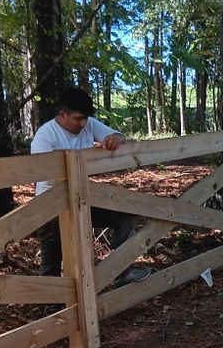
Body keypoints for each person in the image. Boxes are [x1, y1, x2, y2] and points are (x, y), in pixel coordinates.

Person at [31, 87, 151, 285]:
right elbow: (42, 173)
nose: (83, 123)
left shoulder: (87, 124)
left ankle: (122, 272)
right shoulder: (45, 136)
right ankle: (53, 309)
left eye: (85, 118)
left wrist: (115, 139)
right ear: (62, 115)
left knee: (123, 217)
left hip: (82, 200)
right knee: (51, 260)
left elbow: (119, 136)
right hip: (51, 205)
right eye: (78, 119)